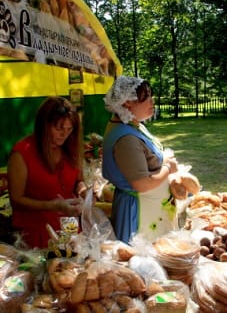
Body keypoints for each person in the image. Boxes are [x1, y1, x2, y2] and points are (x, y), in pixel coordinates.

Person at [102, 76, 179, 244]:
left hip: (152, 208)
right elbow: (142, 184)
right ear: (128, 102)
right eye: (146, 97)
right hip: (139, 213)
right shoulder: (126, 138)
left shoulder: (133, 124)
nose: (152, 101)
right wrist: (167, 167)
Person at [7, 97, 86, 249]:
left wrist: (84, 192)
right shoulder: (23, 152)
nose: (64, 134)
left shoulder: (70, 147)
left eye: (69, 130)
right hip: (37, 234)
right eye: (59, 128)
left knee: (73, 271)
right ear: (44, 125)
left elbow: (78, 180)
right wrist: (51, 206)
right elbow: (16, 199)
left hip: (69, 230)